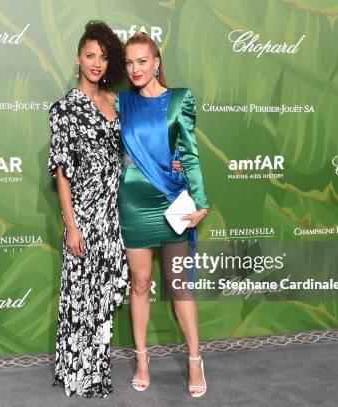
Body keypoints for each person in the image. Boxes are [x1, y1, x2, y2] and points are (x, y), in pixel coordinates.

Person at [117, 32, 210, 398]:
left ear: (157, 62)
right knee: (139, 284)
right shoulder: (122, 102)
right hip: (133, 202)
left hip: (172, 204)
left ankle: (195, 359)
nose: (135, 69)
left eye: (142, 61)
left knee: (178, 286)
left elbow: (189, 153)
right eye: (129, 62)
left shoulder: (180, 100)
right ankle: (142, 359)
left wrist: (200, 202)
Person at [47, 20, 128, 398]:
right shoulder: (64, 109)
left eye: (103, 57)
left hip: (116, 212)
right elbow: (62, 174)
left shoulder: (115, 101)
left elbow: (131, 155)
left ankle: (98, 365)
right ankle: (78, 371)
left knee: (104, 293)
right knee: (82, 294)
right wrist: (72, 226)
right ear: (77, 58)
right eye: (90, 55)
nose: (96, 63)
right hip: (85, 212)